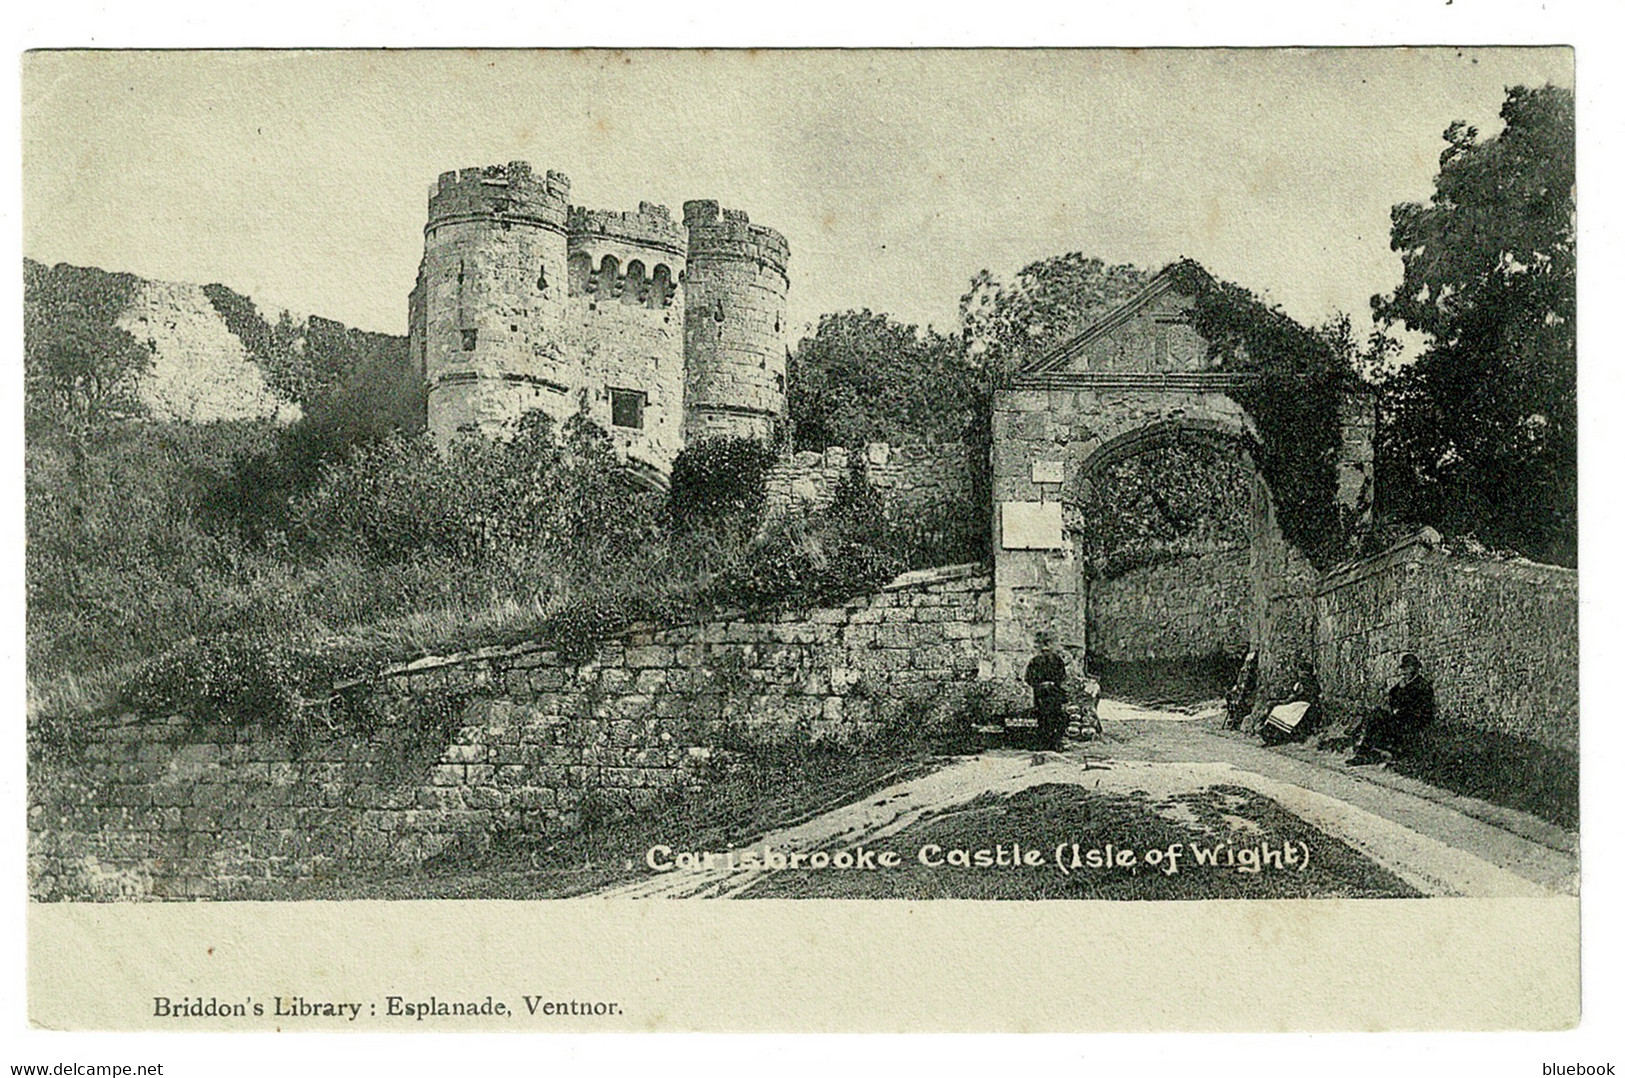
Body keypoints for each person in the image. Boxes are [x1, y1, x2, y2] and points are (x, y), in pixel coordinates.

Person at [1348, 653, 1436, 766]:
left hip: (1414, 721)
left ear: (1415, 668)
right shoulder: (1402, 684)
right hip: (1400, 718)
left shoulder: (1422, 685)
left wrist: (1402, 709)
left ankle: (1368, 752)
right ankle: (1363, 753)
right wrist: (1399, 689)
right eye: (1404, 669)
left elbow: (1423, 709)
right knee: (1377, 715)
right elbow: (1392, 696)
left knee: (1380, 719)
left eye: (1408, 668)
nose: (1404, 672)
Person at [1259, 656, 1322, 747]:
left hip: (1303, 705)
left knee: (1279, 710)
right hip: (1303, 703)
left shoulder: (1304, 682)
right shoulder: (1310, 682)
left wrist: (1282, 701)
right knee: (1279, 709)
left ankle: (1274, 735)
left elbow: (1295, 696)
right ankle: (1272, 734)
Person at [1024, 630, 1068, 751]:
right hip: (1051, 693)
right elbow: (1063, 676)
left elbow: (1028, 678)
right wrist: (1053, 683)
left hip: (1042, 693)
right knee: (1053, 717)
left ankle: (1046, 743)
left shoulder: (1035, 661)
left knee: (1044, 718)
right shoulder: (1057, 660)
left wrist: (1039, 684)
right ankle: (1054, 742)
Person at [1224, 650, 1259, 730]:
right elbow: (1239, 682)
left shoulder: (1251, 674)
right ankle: (1232, 715)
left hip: (1247, 694)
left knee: (1240, 700)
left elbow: (1250, 685)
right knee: (1230, 696)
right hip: (1240, 692)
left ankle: (1235, 719)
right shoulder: (1243, 672)